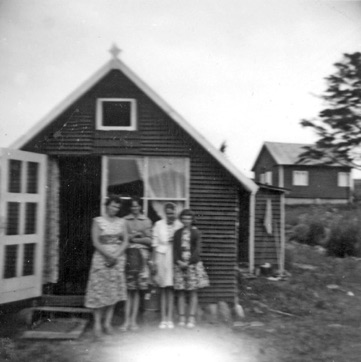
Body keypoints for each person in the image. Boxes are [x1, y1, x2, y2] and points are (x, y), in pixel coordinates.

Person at [85, 195, 128, 338]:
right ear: (107, 205)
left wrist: (116, 255)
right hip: (101, 259)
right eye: (113, 206)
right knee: (99, 292)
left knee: (113, 292)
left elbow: (125, 241)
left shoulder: (122, 222)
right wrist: (108, 255)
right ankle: (97, 324)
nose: (115, 209)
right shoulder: (98, 221)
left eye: (117, 207)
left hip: (117, 259)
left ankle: (107, 323)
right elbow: (96, 242)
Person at [173, 209, 210, 328]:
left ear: (192, 220)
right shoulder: (177, 233)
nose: (186, 221)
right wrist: (178, 261)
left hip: (192, 264)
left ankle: (192, 318)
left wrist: (188, 263)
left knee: (193, 291)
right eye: (184, 218)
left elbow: (197, 250)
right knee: (181, 291)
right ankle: (182, 317)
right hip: (180, 264)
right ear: (181, 219)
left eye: (188, 218)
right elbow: (175, 249)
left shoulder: (196, 233)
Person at [121, 197, 152, 331]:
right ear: (130, 208)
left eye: (137, 206)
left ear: (140, 207)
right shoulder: (124, 220)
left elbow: (150, 241)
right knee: (129, 290)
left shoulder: (146, 221)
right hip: (129, 257)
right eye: (132, 206)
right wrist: (138, 237)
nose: (135, 208)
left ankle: (133, 321)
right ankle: (126, 321)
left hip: (142, 258)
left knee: (138, 290)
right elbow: (122, 239)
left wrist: (134, 238)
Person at [152, 202, 183, 329]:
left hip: (173, 257)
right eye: (168, 213)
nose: (171, 216)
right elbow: (154, 243)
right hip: (161, 257)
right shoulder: (158, 224)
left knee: (170, 288)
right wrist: (153, 262)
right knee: (163, 288)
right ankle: (163, 318)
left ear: (175, 213)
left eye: (173, 213)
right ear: (165, 213)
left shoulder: (179, 225)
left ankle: (170, 318)